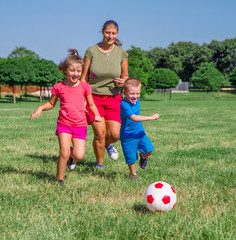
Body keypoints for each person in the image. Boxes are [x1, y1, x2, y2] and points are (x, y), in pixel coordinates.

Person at [30, 49, 101, 186]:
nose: (76, 74)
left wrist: (96, 115)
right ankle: (60, 179)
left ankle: (71, 155)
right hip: (64, 124)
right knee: (63, 152)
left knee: (79, 156)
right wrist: (40, 108)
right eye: (72, 71)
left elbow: (91, 104)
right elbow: (51, 104)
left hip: (80, 125)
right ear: (65, 71)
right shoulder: (59, 87)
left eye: (78, 71)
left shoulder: (85, 87)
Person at [81, 20, 129, 169]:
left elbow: (126, 75)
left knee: (115, 134)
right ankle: (99, 163)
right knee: (99, 133)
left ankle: (108, 145)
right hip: (93, 97)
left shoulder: (121, 53)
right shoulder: (91, 51)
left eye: (113, 33)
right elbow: (84, 77)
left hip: (114, 98)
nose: (110, 36)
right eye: (107, 32)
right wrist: (82, 98)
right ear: (102, 32)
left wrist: (123, 82)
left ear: (117, 34)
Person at [120, 78, 160, 180]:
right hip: (128, 136)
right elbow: (134, 118)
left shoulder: (137, 101)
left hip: (139, 132)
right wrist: (151, 117)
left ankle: (143, 156)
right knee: (131, 158)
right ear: (124, 92)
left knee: (150, 149)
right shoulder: (124, 104)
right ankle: (133, 174)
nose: (135, 96)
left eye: (137, 93)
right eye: (132, 93)